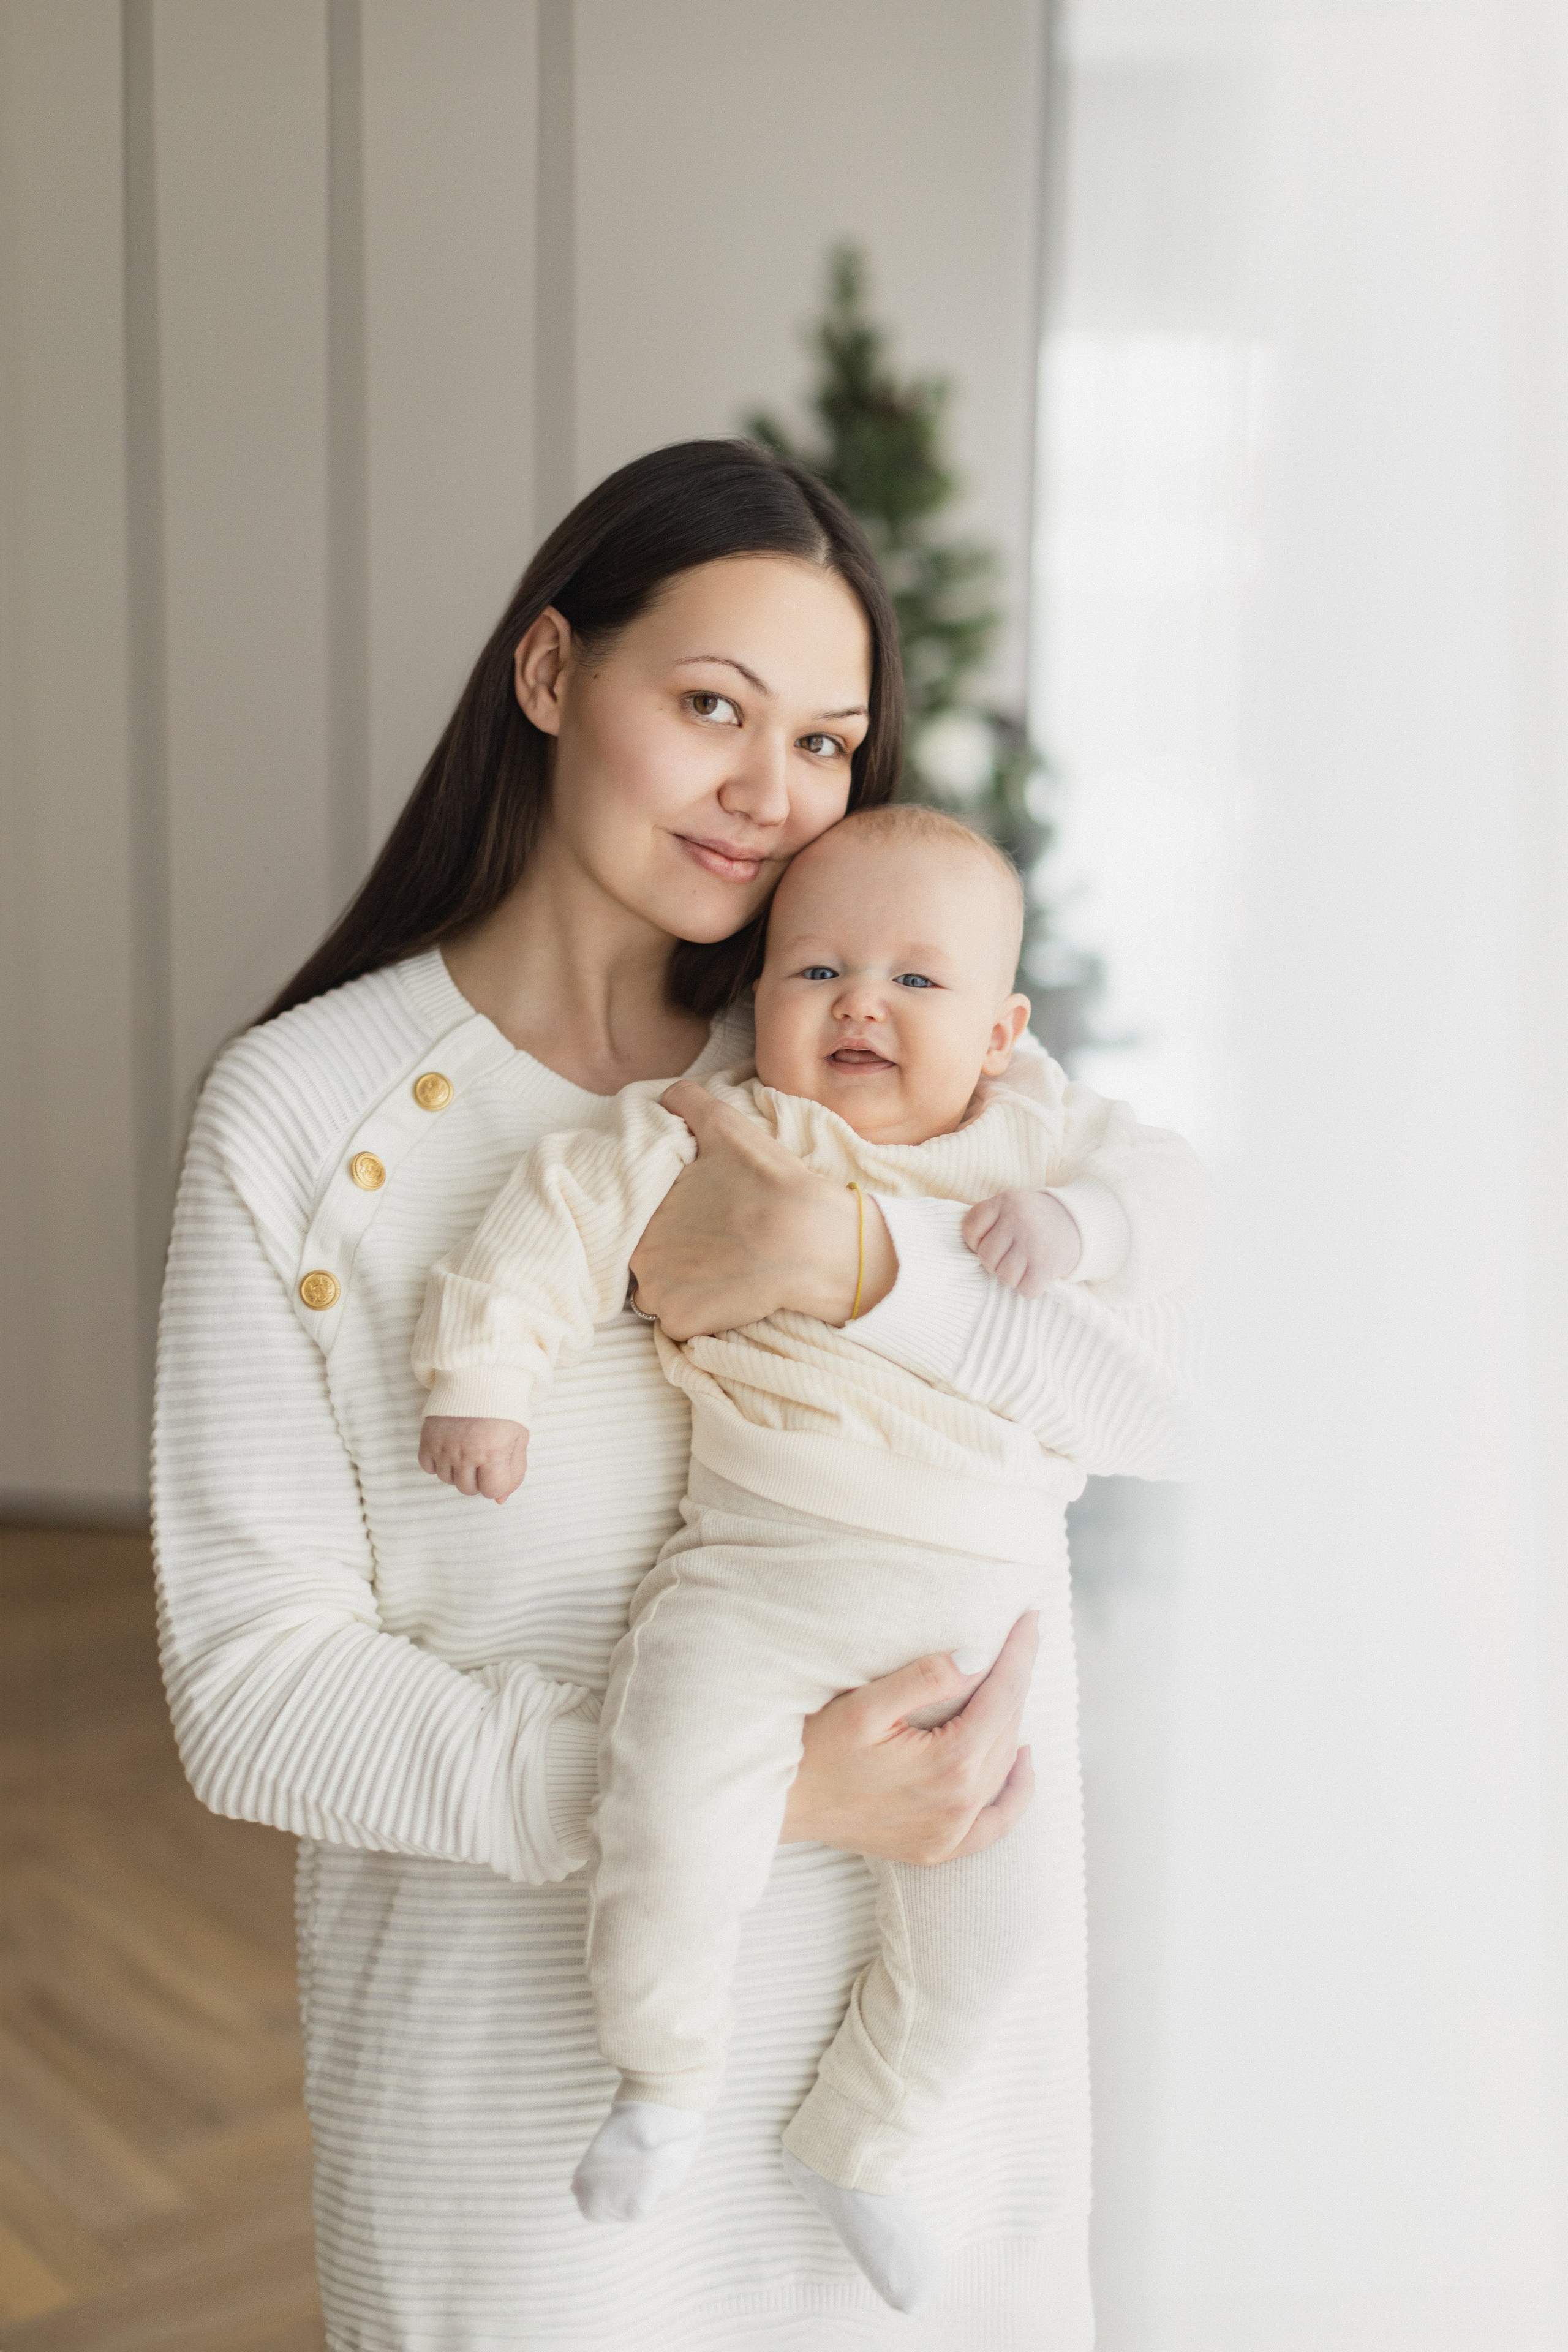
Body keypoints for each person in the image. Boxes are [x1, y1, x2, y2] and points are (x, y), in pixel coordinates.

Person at [152, 439, 1194, 2351]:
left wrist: (866, 1278)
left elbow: (1197, 1394)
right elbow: (255, 1699)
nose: (766, 792)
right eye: (709, 705)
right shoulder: (305, 1121)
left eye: (824, 741)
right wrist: (760, 1793)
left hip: (934, 2170)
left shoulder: (880, 1051)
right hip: (541, 2178)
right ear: (551, 676)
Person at [413, 802, 1196, 2313]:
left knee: (1005, 1912)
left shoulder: (1038, 1134)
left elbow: (1186, 1206)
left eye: (916, 981)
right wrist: (483, 1377)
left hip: (976, 1629)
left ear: (1000, 1026)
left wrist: (1081, 1225)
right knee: (668, 1806)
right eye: (814, 970)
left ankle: (871, 2131)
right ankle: (662, 2074)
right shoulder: (724, 1125)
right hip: (756, 1582)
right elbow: (556, 1220)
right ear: (753, 996)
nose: (858, 1003)